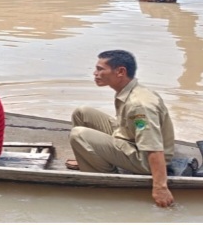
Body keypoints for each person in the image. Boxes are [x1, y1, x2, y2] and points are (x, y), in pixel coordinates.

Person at [68, 50, 175, 208]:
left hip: (145, 159)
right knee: (82, 113)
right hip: (129, 139)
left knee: (78, 135)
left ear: (120, 72)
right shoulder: (129, 91)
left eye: (100, 69)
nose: (95, 73)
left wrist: (160, 187)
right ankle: (87, 159)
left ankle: (104, 180)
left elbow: (154, 148)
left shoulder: (139, 105)